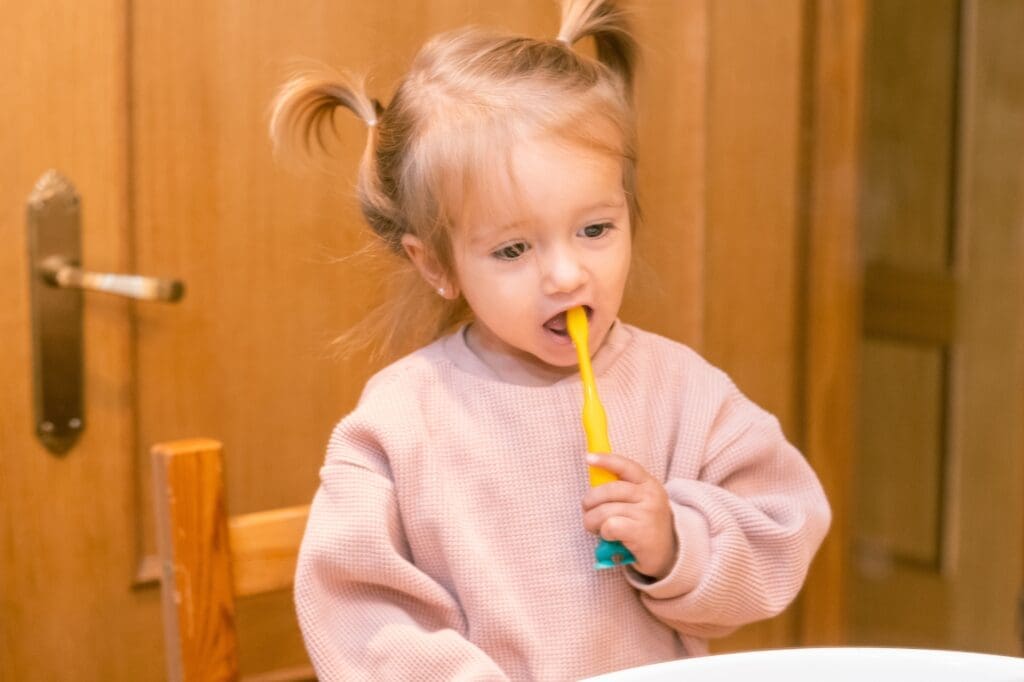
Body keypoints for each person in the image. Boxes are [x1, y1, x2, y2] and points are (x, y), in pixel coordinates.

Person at [270, 1, 830, 679]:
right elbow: (359, 618)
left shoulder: (684, 392)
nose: (568, 275)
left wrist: (676, 541)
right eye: (512, 249)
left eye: (595, 230)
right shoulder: (399, 421)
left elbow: (783, 527)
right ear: (438, 265)